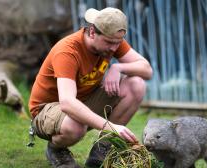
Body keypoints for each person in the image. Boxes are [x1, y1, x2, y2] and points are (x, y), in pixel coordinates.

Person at [28, 7, 153, 168]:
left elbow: (147, 70)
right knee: (75, 124)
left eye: (118, 43)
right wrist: (111, 127)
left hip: (82, 101)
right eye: (109, 42)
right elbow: (67, 102)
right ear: (93, 32)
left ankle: (101, 150)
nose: (114, 49)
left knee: (136, 84)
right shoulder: (68, 51)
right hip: (47, 111)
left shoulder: (112, 40)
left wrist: (118, 68)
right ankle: (57, 150)